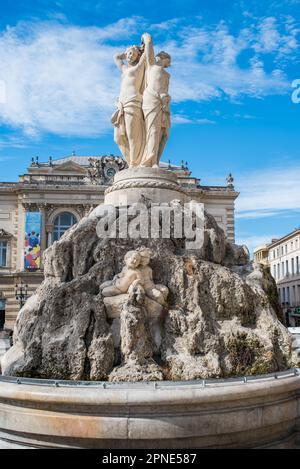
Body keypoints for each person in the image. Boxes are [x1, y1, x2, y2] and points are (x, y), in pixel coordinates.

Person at [112, 45, 146, 167]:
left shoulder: (139, 67)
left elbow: (147, 53)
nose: (129, 56)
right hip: (121, 105)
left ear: (138, 56)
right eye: (128, 54)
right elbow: (116, 57)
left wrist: (141, 48)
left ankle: (134, 163)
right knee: (118, 137)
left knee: (132, 136)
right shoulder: (125, 69)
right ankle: (132, 161)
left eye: (132, 54)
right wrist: (126, 52)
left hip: (133, 101)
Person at [140, 33, 171, 167]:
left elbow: (165, 88)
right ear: (163, 58)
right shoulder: (151, 66)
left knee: (164, 133)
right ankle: (149, 159)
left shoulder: (166, 74)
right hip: (151, 99)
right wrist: (147, 39)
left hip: (164, 103)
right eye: (168, 61)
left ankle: (156, 160)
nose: (169, 65)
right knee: (152, 130)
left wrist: (166, 98)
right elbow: (149, 48)